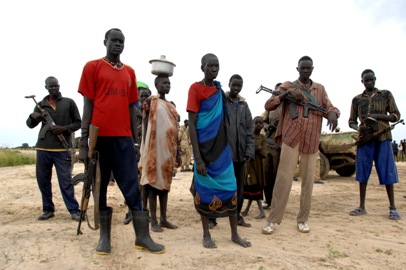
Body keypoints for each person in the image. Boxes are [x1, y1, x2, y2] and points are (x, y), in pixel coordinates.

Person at [78, 28, 164, 254]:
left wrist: (136, 143)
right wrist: (83, 141)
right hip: (99, 139)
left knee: (132, 188)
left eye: (121, 41)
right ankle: (104, 239)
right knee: (100, 187)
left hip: (123, 139)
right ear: (105, 42)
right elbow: (87, 106)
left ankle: (142, 237)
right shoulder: (92, 67)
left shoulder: (130, 72)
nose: (118, 44)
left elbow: (131, 108)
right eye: (114, 41)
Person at [262, 56, 340, 234]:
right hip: (291, 138)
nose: (305, 71)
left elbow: (329, 107)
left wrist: (334, 113)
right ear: (297, 69)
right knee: (283, 179)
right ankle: (273, 220)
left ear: (312, 69)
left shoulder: (319, 89)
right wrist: (286, 95)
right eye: (302, 68)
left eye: (308, 68)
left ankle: (303, 219)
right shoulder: (288, 85)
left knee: (308, 182)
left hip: (311, 139)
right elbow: (268, 105)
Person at [187, 53, 251, 248]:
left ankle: (234, 234)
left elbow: (225, 119)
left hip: (222, 151)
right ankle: (206, 234)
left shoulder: (219, 91)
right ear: (202, 67)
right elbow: (192, 124)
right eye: (210, 66)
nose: (214, 69)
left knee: (231, 187)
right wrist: (198, 159)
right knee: (205, 191)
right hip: (204, 151)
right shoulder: (195, 89)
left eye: (217, 66)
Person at [26, 76, 82, 221]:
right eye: (51, 87)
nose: (54, 89)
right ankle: (48, 209)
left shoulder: (69, 102)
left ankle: (74, 210)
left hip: (62, 150)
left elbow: (78, 123)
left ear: (59, 86)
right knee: (43, 180)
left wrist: (63, 128)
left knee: (66, 181)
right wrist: (34, 117)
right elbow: (30, 125)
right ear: (46, 88)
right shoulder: (40, 105)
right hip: (43, 149)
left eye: (56, 86)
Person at [348, 69, 401, 220]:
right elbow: (351, 121)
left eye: (371, 80)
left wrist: (376, 116)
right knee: (363, 171)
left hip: (383, 137)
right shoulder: (356, 99)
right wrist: (358, 128)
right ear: (362, 81)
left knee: (387, 171)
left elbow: (395, 115)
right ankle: (362, 206)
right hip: (365, 140)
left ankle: (393, 207)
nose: (369, 82)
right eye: (366, 80)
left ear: (375, 79)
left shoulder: (386, 95)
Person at [209, 74, 255, 228]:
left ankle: (237, 217)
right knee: (219, 187)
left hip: (240, 156)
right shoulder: (222, 101)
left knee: (239, 189)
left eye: (239, 86)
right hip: (224, 156)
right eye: (234, 85)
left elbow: (250, 130)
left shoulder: (244, 106)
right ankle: (212, 218)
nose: (236, 88)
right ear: (229, 84)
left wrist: (249, 151)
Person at [139, 75, 181, 233]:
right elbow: (145, 123)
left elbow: (174, 129)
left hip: (168, 151)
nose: (167, 85)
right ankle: (154, 221)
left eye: (169, 83)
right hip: (154, 150)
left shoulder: (170, 106)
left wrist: (176, 151)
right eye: (164, 83)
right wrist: (145, 146)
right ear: (156, 85)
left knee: (165, 187)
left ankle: (164, 219)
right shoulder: (151, 102)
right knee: (151, 186)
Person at [123, 81, 152, 225]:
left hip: (148, 151)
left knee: (146, 183)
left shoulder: (152, 110)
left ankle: (143, 211)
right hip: (133, 151)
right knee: (133, 183)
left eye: (146, 96)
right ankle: (130, 212)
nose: (143, 98)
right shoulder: (131, 111)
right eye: (141, 96)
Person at [241, 116, 266, 219]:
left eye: (260, 123)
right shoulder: (249, 137)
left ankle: (261, 212)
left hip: (258, 165)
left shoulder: (263, 138)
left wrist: (257, 150)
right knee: (253, 186)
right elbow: (247, 150)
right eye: (256, 123)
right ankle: (248, 209)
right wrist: (256, 149)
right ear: (252, 124)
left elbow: (264, 151)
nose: (258, 125)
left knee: (255, 187)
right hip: (250, 166)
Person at [262, 82, 282, 209]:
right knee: (266, 174)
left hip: (281, 145)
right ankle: (268, 200)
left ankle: (277, 202)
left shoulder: (287, 107)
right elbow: (263, 122)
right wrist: (267, 126)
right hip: (268, 144)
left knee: (278, 175)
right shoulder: (270, 107)